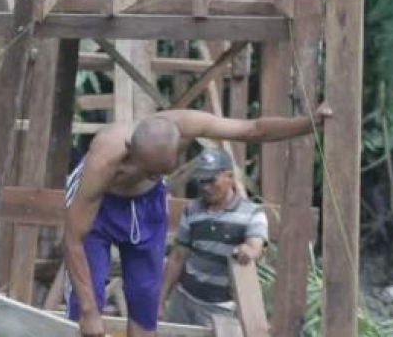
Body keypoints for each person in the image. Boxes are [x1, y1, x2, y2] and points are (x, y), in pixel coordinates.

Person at [63, 106, 331, 337]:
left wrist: (310, 122)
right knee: (89, 308)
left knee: (145, 302)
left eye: (162, 173)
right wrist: (89, 311)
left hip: (148, 205)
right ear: (130, 152)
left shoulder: (185, 125)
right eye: (150, 172)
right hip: (101, 207)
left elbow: (253, 129)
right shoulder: (102, 163)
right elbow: (73, 240)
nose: (156, 177)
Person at [158, 147, 267, 328]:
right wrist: (161, 300)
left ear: (230, 177)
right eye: (201, 181)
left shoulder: (252, 213)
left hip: (222, 309)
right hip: (184, 300)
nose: (205, 187)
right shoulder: (192, 210)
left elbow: (256, 245)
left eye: (211, 180)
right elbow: (178, 257)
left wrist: (249, 250)